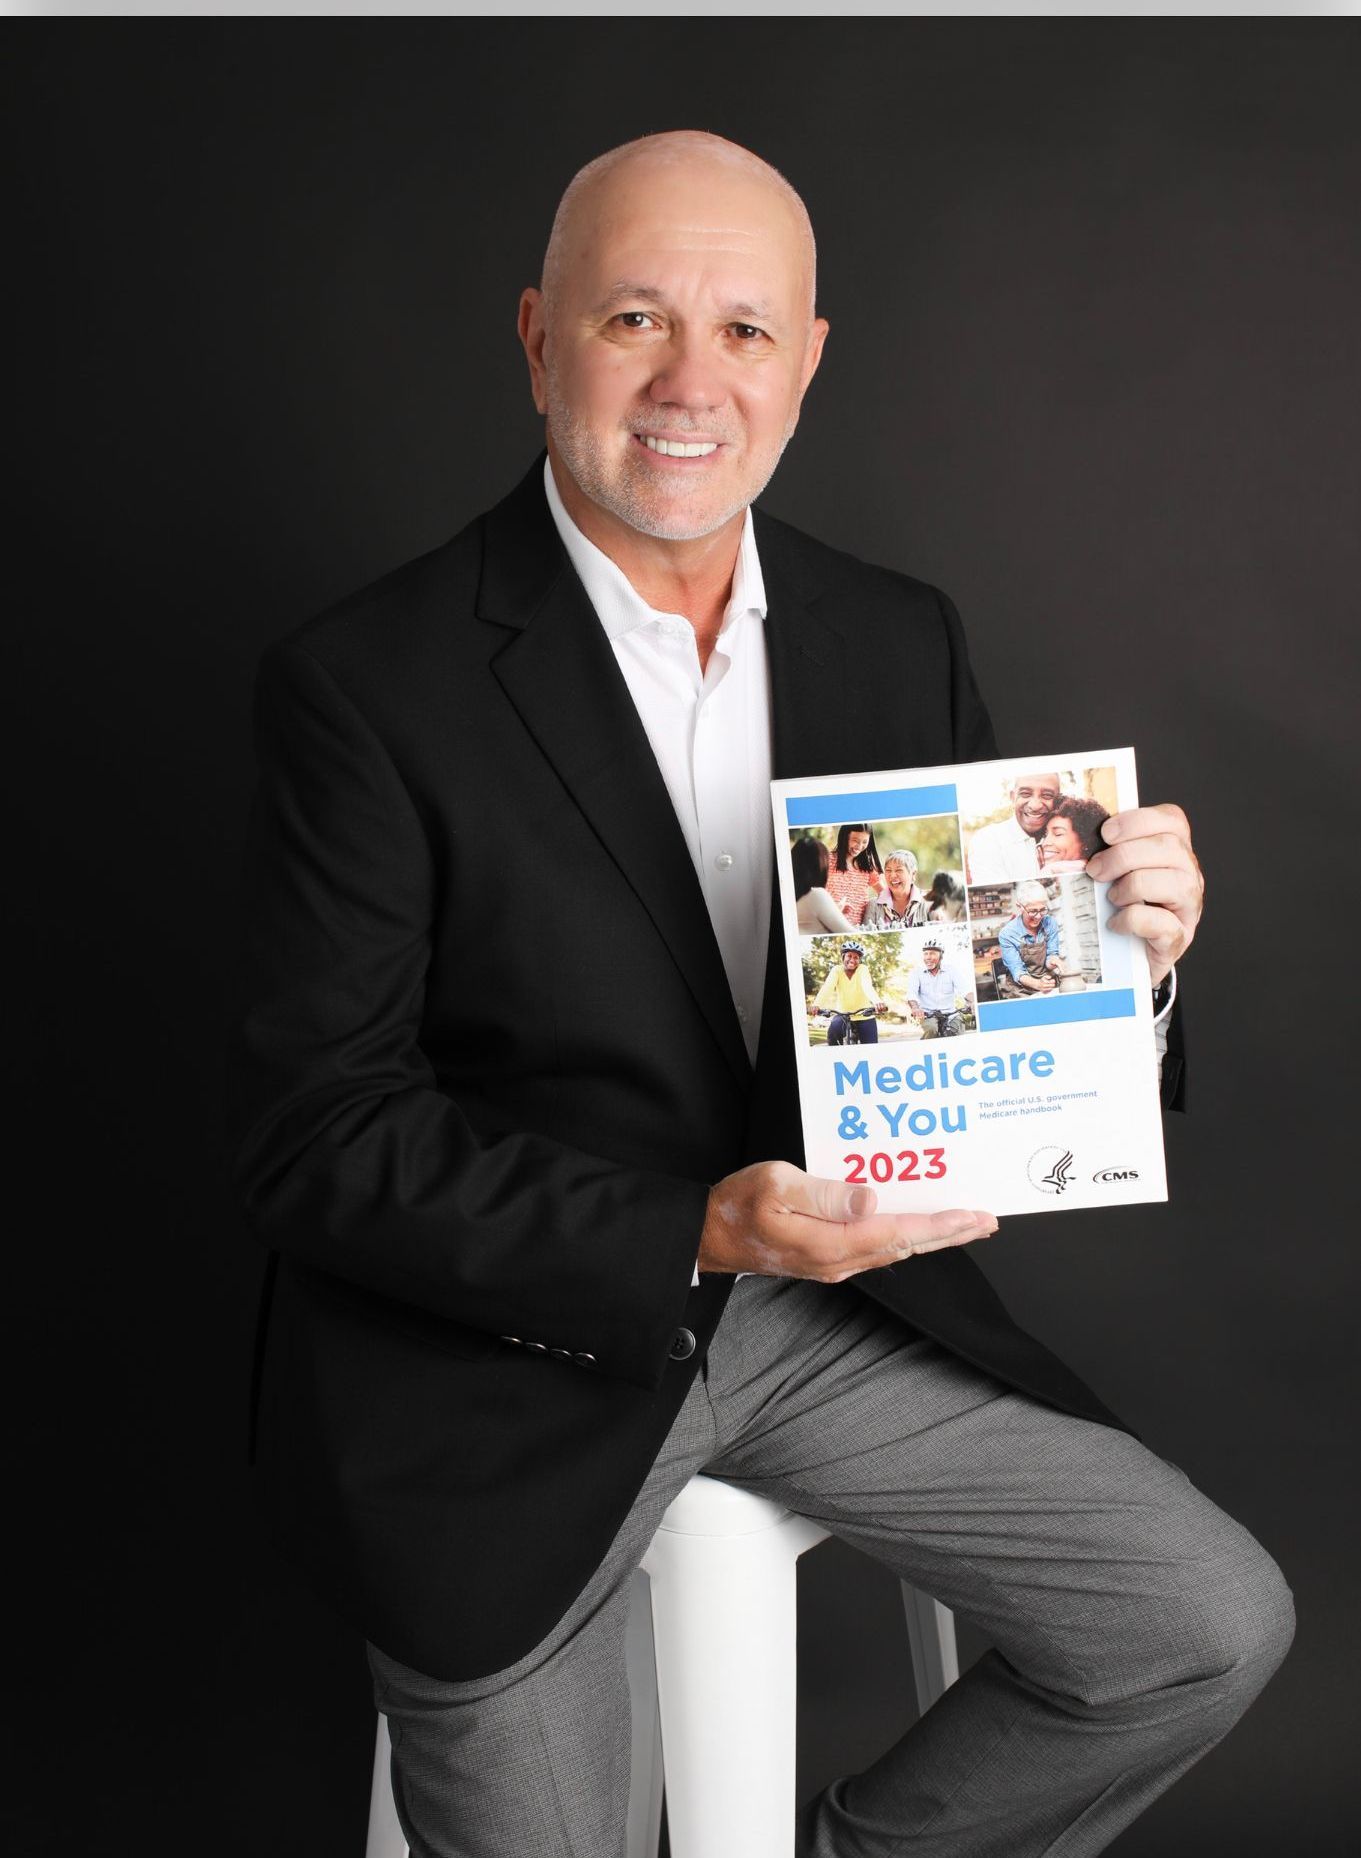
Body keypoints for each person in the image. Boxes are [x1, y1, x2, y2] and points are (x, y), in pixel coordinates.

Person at [231, 131, 1288, 1858]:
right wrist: (696, 1233)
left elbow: (963, 1034)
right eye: (634, 316)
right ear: (535, 337)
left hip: (830, 1320)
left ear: (807, 358)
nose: (687, 382)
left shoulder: (892, 631)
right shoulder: (366, 684)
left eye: (742, 329)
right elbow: (317, 1142)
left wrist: (1126, 975)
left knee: (1203, 1624)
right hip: (500, 1359)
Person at [966, 771, 1064, 883]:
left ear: (1059, 800)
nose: (1035, 805)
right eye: (1025, 794)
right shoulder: (987, 840)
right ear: (1013, 797)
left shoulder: (1067, 839)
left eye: (1047, 795)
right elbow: (999, 895)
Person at [811, 939, 886, 1045]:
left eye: (856, 957)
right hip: (842, 1015)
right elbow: (828, 987)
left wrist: (877, 1001)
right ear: (843, 957)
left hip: (864, 1015)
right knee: (832, 1036)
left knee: (872, 1048)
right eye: (849, 956)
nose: (852, 960)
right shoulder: (836, 970)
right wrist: (817, 1004)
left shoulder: (863, 969)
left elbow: (867, 986)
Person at [998, 879, 1064, 995]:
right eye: (1033, 911)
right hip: (1021, 989)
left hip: (1046, 982)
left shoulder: (1050, 923)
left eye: (1043, 909)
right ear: (1020, 906)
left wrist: (1055, 961)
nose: (1038, 916)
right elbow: (1018, 972)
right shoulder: (1007, 934)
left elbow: (1051, 955)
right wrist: (1038, 984)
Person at [905, 938, 968, 1036]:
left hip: (951, 1014)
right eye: (926, 954)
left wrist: (972, 1002)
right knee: (931, 1030)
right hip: (928, 1015)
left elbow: (965, 990)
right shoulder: (916, 973)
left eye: (932, 953)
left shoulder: (951, 970)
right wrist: (915, 1008)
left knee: (957, 1032)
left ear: (941, 956)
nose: (928, 957)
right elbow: (911, 993)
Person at [824, 822, 884, 924]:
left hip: (859, 928)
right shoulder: (827, 860)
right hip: (832, 924)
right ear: (844, 837)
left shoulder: (867, 867)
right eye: (855, 840)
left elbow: (884, 893)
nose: (859, 846)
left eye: (865, 842)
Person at [793, 833, 854, 932]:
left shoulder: (795, 898)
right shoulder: (816, 895)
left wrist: (835, 911)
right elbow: (852, 934)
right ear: (821, 865)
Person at [1040, 792, 1111, 872]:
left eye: (1058, 834)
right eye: (1045, 835)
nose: (1045, 843)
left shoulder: (1052, 870)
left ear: (1086, 842)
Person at [863, 847, 928, 927]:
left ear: (913, 874)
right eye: (888, 870)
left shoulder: (927, 903)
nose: (892, 875)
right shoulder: (873, 906)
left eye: (899, 870)